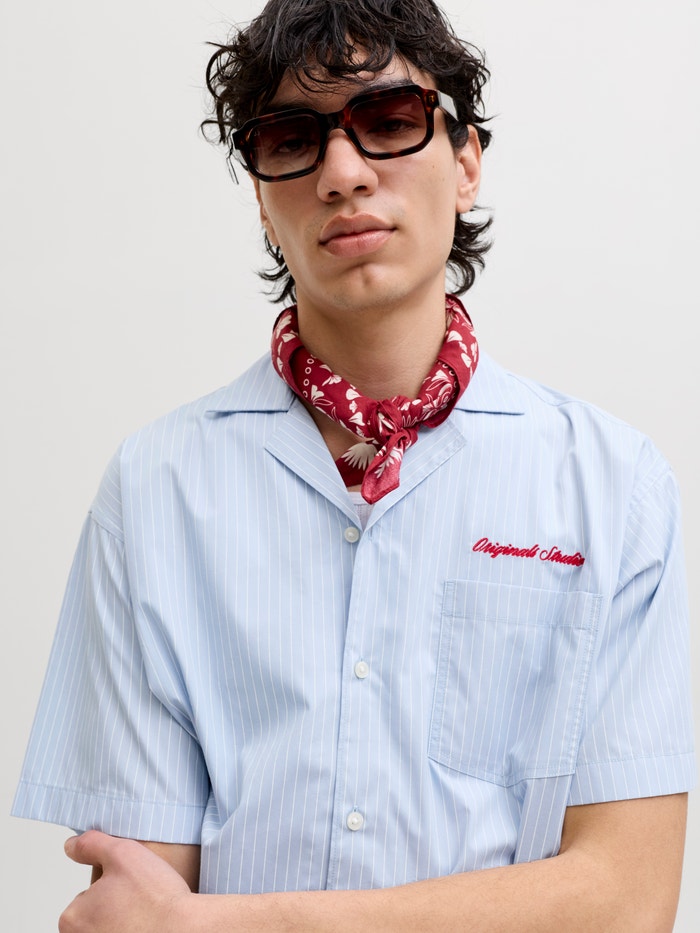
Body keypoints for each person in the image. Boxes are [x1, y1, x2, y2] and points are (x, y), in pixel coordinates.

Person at [12, 0, 695, 930]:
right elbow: (136, 907)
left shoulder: (613, 487)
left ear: (466, 161)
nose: (341, 173)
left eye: (390, 120)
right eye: (292, 140)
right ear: (262, 199)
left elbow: (628, 898)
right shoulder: (158, 490)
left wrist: (228, 924)